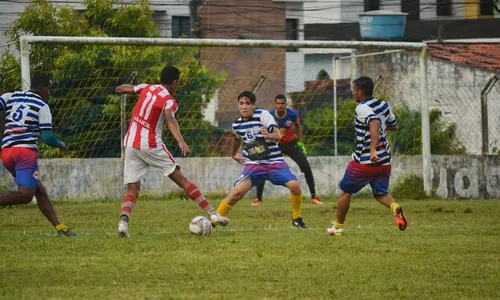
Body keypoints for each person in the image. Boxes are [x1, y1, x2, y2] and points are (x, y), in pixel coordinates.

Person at [114, 65, 229, 238]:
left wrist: (119, 89)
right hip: (151, 144)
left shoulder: (147, 87)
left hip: (130, 143)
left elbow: (123, 89)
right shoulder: (168, 100)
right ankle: (212, 213)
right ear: (175, 82)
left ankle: (123, 222)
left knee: (133, 190)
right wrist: (181, 141)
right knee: (182, 179)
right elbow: (169, 118)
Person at [326, 76, 407, 236]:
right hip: (384, 160)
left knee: (345, 191)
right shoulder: (383, 104)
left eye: (353, 90)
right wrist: (379, 136)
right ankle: (394, 207)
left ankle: (338, 227)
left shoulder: (362, 108)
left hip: (365, 160)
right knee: (380, 193)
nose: (353, 93)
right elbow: (394, 126)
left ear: (360, 92)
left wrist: (372, 149)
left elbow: (374, 122)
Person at [216, 91, 308, 228]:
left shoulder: (263, 115)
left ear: (254, 105)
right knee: (237, 192)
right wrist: (233, 154)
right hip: (254, 165)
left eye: (248, 104)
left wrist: (269, 135)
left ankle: (296, 219)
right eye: (241, 104)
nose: (244, 107)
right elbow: (236, 138)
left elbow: (278, 136)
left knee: (295, 186)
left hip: (275, 162)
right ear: (238, 106)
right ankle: (213, 221)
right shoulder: (237, 125)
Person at [0, 73, 75, 236]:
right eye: (49, 89)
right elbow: (48, 138)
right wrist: (60, 144)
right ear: (41, 88)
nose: (49, 93)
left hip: (6, 152)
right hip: (24, 153)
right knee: (26, 195)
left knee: (38, 189)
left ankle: (60, 227)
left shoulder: (10, 95)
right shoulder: (42, 106)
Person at [252, 94, 323, 206]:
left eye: (282, 104)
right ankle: (258, 199)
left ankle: (314, 197)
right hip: (275, 145)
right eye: (278, 104)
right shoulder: (269, 115)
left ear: (285, 104)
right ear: (275, 105)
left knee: (306, 166)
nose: (280, 106)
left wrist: (300, 143)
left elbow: (298, 126)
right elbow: (263, 130)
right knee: (263, 168)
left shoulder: (292, 114)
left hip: (290, 144)